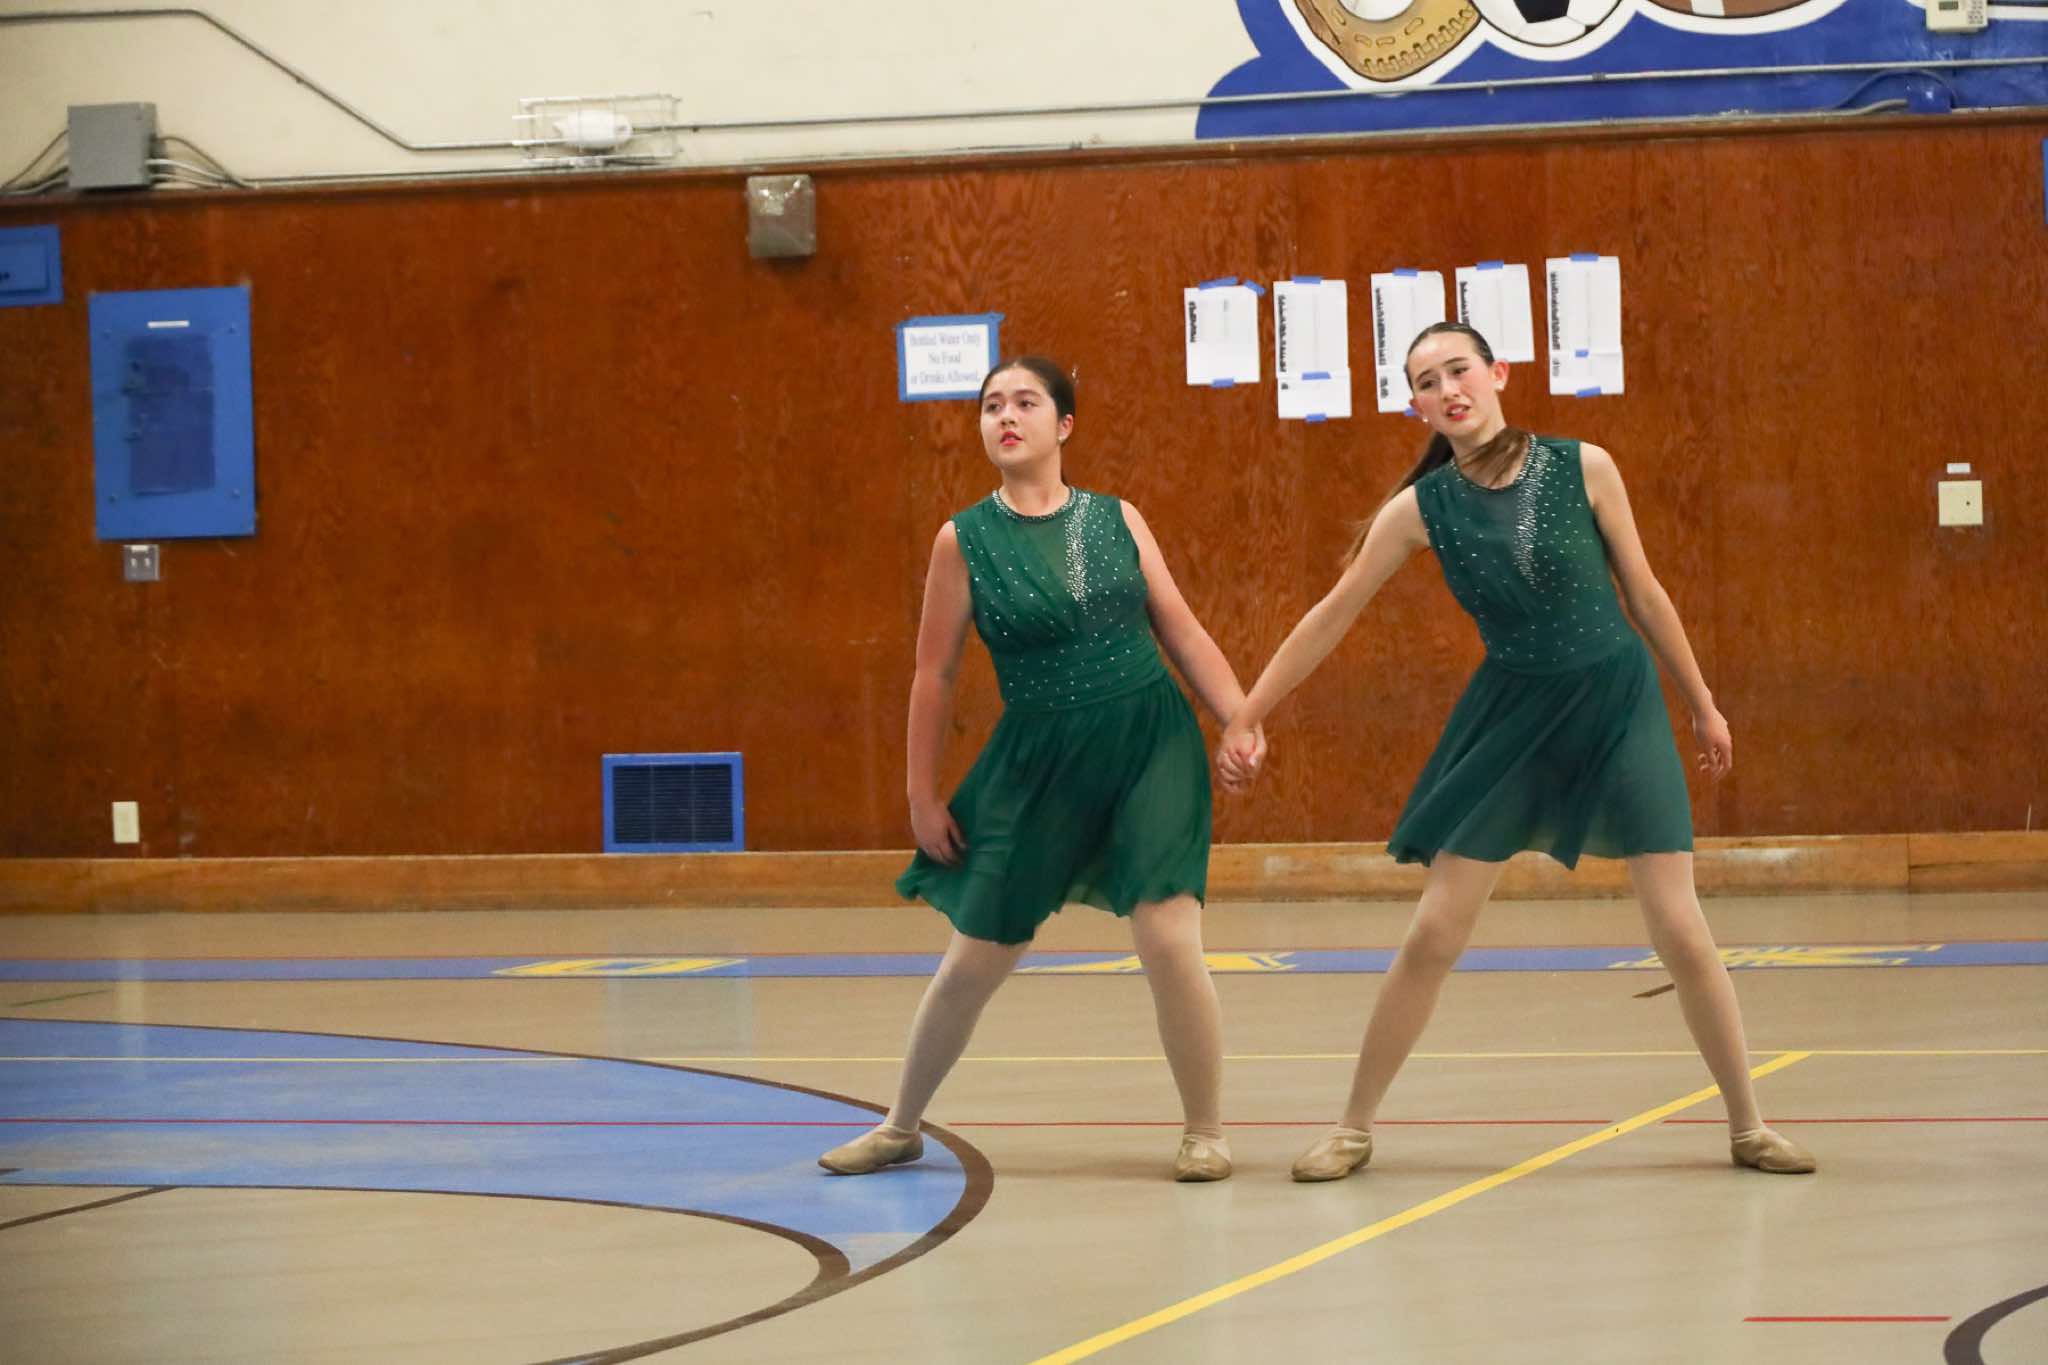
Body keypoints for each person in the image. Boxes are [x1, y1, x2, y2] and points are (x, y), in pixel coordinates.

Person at [1216, 322, 1816, 1180]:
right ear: (1416, 406)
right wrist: (1249, 712)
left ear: (1497, 372)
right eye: (1427, 381)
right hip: (1512, 718)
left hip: (1617, 704)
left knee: (1681, 926)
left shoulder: (1586, 466)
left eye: (1459, 369)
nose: (1448, 389)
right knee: (1435, 930)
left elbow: (1644, 592)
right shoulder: (1420, 510)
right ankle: (1352, 1126)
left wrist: (1702, 702)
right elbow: (1332, 613)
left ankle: (1749, 1125)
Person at [819, 355, 1265, 1183]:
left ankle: (1205, 1130)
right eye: (992, 404)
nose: (1005, 416)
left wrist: (1239, 718)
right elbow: (932, 674)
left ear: (1063, 425)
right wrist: (919, 794)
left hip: (1149, 743)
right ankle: (900, 1125)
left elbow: (1181, 628)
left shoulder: (1119, 517)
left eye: (1025, 401)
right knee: (974, 957)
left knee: (1168, 937)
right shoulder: (962, 539)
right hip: (1037, 764)